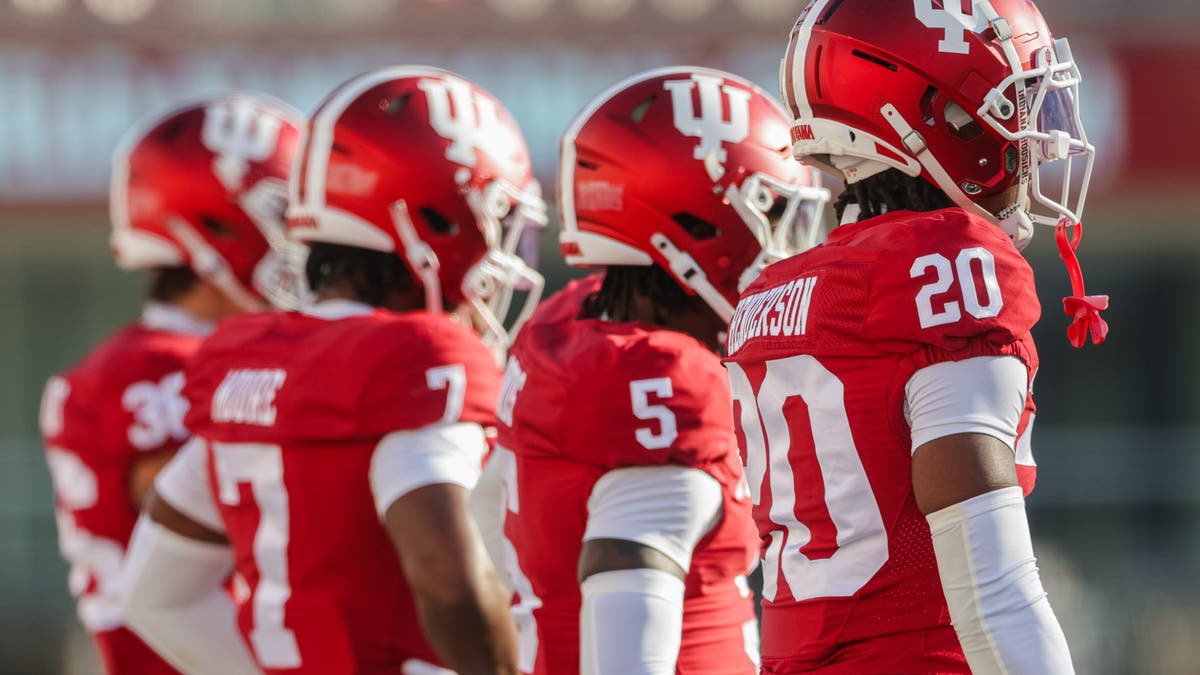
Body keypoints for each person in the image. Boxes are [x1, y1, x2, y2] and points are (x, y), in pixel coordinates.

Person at [121, 66, 545, 675]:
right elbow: (445, 577)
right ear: (437, 220)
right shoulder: (417, 356)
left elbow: (155, 596)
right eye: (494, 221)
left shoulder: (248, 358)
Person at [724, 0, 1107, 673]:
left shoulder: (773, 295)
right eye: (1013, 107)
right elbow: (995, 591)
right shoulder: (946, 262)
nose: (1032, 140)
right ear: (936, 112)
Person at [485, 66, 830, 675]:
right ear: (696, 225)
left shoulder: (566, 325)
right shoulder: (660, 381)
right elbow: (628, 572)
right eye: (771, 220)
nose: (783, 253)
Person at [38, 93, 302, 675]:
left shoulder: (136, 364)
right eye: (284, 216)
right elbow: (240, 511)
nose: (303, 241)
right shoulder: (163, 372)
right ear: (218, 224)